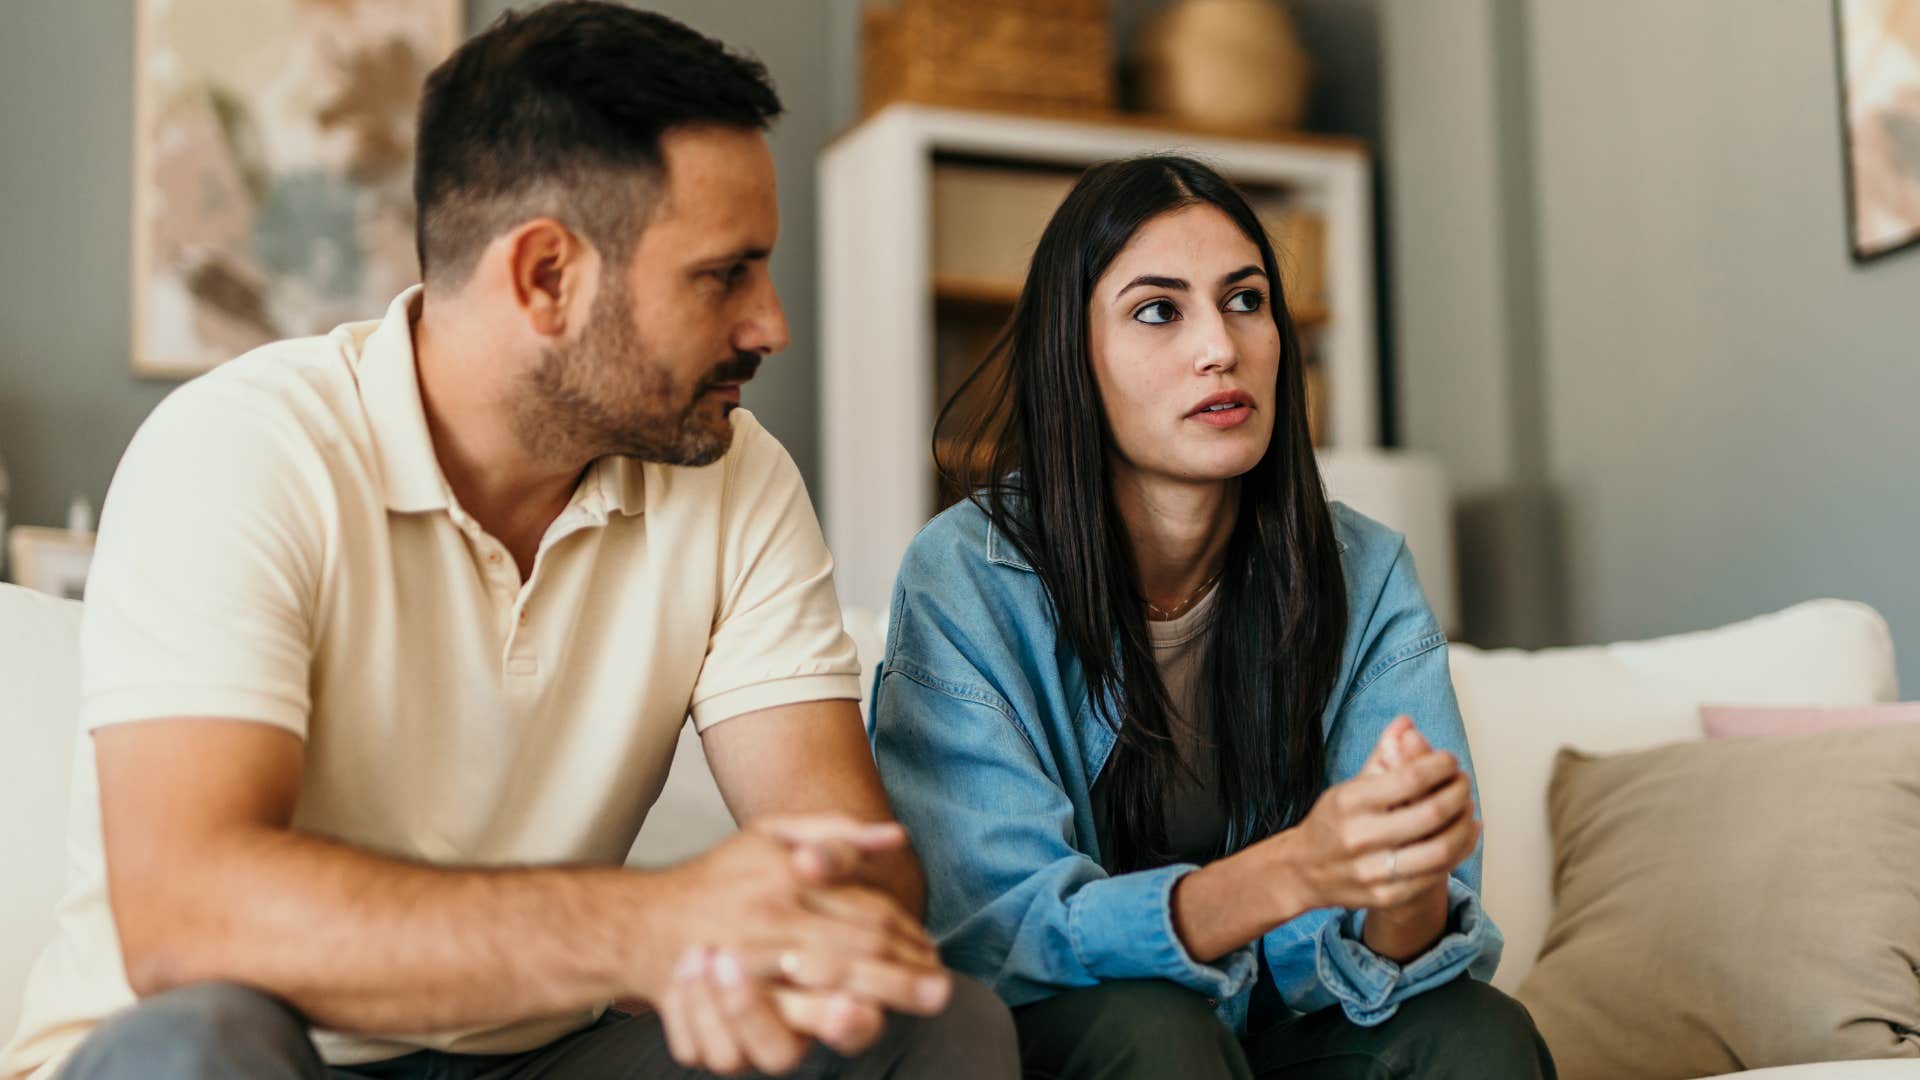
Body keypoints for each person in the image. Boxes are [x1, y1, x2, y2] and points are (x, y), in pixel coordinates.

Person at [0, 4, 1017, 1078]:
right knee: (205, 1045)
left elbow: (857, 876)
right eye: (726, 273)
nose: (772, 325)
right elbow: (189, 921)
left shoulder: (733, 476)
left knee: (932, 1021)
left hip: (539, 1060)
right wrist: (640, 926)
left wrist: (757, 945)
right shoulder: (241, 450)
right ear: (545, 277)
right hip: (256, 1049)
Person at [866, 155, 1555, 1079]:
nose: (1221, 347)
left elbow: (1401, 959)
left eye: (1246, 300)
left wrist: (1405, 874)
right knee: (1155, 1032)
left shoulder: (1364, 569)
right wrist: (1291, 872)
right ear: (1074, 355)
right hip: (1068, 1034)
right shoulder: (966, 575)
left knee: (1476, 1032)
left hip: (1281, 1027)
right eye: (1160, 310)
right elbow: (997, 930)